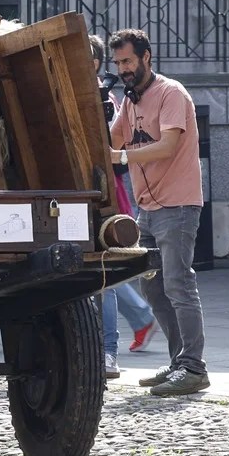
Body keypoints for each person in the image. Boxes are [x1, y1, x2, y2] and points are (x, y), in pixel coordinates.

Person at [108, 29, 209, 396]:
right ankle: (180, 362)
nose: (123, 69)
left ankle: (195, 368)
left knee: (179, 284)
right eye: (118, 63)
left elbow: (166, 147)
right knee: (152, 287)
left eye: (128, 61)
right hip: (147, 209)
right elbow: (110, 140)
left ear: (146, 57)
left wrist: (120, 157)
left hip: (178, 205)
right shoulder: (130, 100)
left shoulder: (171, 93)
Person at [89, 36, 158, 380]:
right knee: (102, 274)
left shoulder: (108, 100)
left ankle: (108, 351)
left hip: (107, 195)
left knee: (105, 273)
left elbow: (117, 153)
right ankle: (140, 317)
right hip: (81, 192)